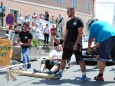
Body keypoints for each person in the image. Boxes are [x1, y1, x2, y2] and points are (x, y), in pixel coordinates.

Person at [55, 7, 87, 81]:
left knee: (80, 60)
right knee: (63, 58)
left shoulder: (79, 20)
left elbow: (80, 33)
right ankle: (60, 72)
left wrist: (76, 44)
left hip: (76, 43)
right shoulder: (68, 22)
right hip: (68, 43)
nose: (67, 13)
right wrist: (63, 43)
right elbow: (66, 34)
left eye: (68, 11)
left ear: (73, 11)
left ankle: (84, 75)